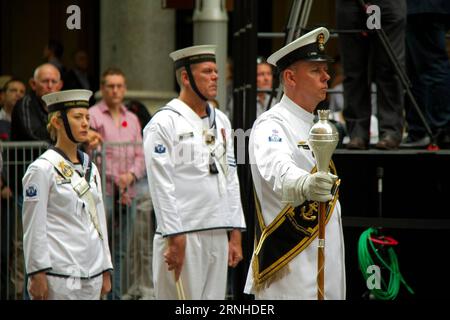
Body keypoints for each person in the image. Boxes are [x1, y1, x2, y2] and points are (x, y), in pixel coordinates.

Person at [244, 27, 346, 300]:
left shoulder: (313, 124)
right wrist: (305, 182)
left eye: (325, 69)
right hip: (291, 273)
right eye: (315, 70)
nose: (326, 76)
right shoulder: (272, 124)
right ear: (290, 77)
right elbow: (277, 168)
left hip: (321, 267)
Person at [143, 45, 246, 300]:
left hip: (217, 230)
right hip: (184, 233)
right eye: (207, 71)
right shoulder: (163, 122)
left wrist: (235, 232)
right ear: (186, 77)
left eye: (216, 71)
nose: (215, 77)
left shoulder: (221, 120)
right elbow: (160, 185)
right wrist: (174, 235)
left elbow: (230, 176)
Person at [22, 89, 113, 300]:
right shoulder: (42, 169)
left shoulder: (91, 168)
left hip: (93, 273)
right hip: (60, 276)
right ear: (57, 122)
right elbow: (34, 226)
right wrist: (37, 273)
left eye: (87, 117)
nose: (85, 123)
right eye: (78, 117)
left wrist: (106, 267)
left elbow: (100, 222)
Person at [89, 68, 145, 299]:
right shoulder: (92, 115)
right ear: (102, 88)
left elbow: (141, 154)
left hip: (127, 192)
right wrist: (116, 178)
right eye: (110, 86)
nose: (115, 90)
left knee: (121, 250)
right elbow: (95, 154)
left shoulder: (132, 118)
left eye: (119, 86)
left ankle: (116, 295)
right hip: (105, 192)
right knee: (99, 249)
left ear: (124, 88)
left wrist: (130, 176)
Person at [336, 0, 406, 150]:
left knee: (390, 67)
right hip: (350, 4)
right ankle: (357, 133)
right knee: (353, 70)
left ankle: (390, 131)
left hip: (388, 2)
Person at [401, 0, 450, 148]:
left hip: (423, 7)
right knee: (419, 71)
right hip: (426, 8)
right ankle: (424, 130)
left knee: (431, 68)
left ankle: (438, 128)